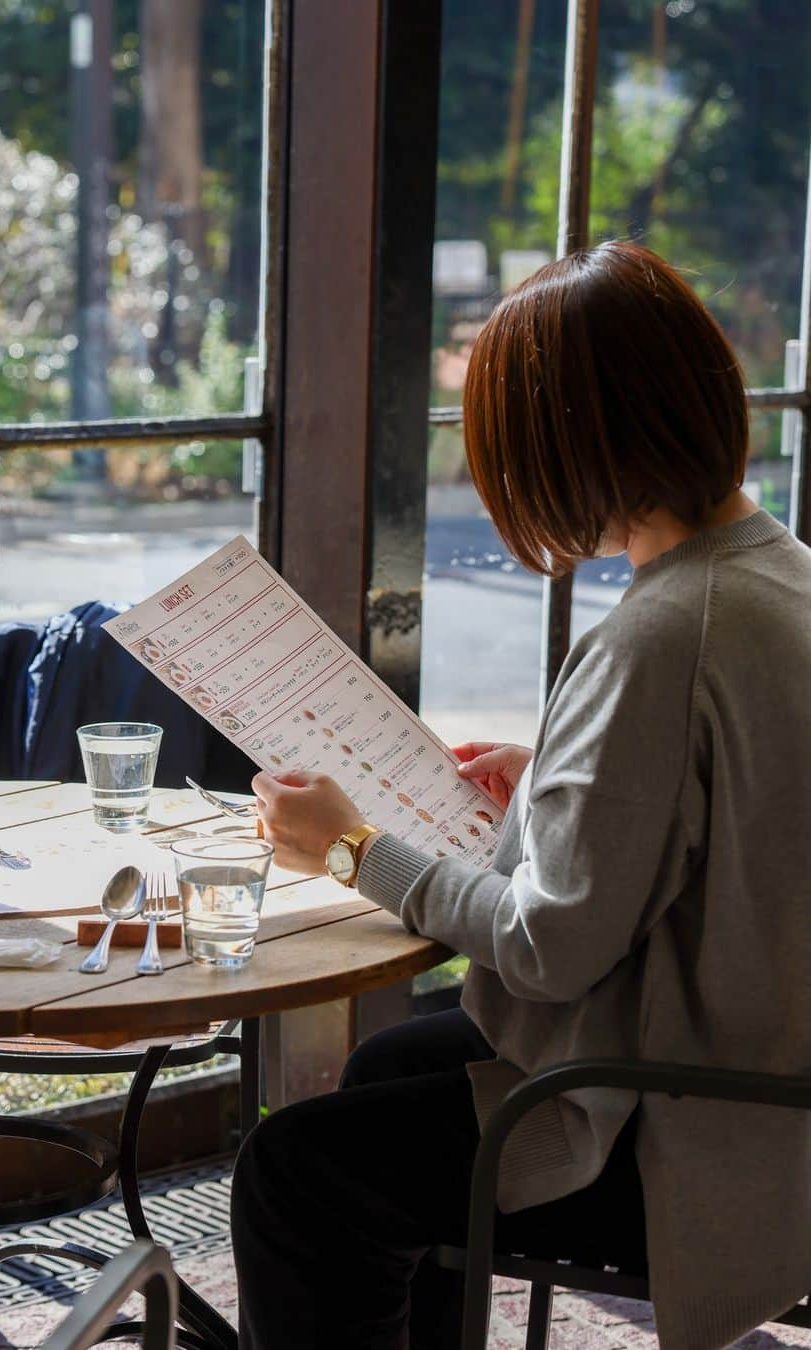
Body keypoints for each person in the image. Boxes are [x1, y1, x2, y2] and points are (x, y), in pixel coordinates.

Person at [230, 241, 811, 1350]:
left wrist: (354, 850)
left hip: (687, 1131)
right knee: (389, 1066)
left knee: (290, 1175)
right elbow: (713, 836)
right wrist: (547, 788)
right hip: (770, 1082)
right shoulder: (779, 575)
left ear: (567, 448)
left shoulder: (661, 636)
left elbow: (549, 951)